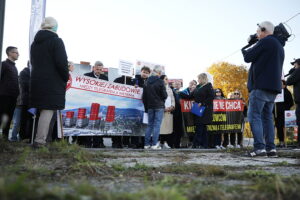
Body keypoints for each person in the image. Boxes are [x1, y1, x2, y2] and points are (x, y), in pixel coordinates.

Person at [242, 21, 285, 157]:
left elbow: (247, 57)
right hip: (273, 88)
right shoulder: (278, 45)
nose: (257, 34)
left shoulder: (265, 41)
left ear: (263, 30)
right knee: (267, 118)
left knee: (254, 116)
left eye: (258, 31)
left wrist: (249, 44)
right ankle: (271, 149)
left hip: (260, 86)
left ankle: (259, 148)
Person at [30, 17, 69, 147]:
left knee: (42, 110)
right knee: (48, 110)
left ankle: (40, 139)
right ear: (53, 27)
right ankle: (40, 141)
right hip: (52, 82)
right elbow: (61, 63)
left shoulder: (34, 44)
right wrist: (65, 76)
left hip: (37, 80)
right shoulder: (56, 41)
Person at [79, 61, 108, 148]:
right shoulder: (86, 76)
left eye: (100, 69)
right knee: (89, 122)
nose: (98, 71)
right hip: (88, 103)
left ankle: (98, 142)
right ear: (93, 68)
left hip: (99, 103)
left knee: (98, 123)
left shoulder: (105, 78)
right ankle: (87, 142)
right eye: (97, 69)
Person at [142, 65, 167, 149]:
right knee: (156, 125)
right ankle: (154, 144)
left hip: (150, 106)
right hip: (159, 106)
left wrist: (146, 107)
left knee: (150, 125)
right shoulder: (160, 82)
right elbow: (164, 95)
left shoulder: (146, 81)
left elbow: (144, 97)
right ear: (159, 73)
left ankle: (146, 144)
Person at [0, 46, 20, 141]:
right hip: (4, 96)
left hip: (13, 97)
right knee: (2, 116)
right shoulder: (3, 65)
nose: (18, 54)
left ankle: (4, 138)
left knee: (8, 117)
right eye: (16, 52)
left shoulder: (14, 67)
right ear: (10, 53)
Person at [190, 73, 214, 148]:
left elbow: (211, 97)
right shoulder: (198, 87)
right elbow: (191, 95)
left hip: (204, 109)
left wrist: (202, 103)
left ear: (203, 79)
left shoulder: (208, 86)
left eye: (199, 79)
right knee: (199, 126)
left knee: (201, 127)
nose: (198, 80)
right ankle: (201, 144)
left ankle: (198, 144)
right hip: (197, 108)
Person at [112, 75, 133, 148]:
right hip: (118, 106)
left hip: (128, 106)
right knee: (117, 126)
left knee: (127, 126)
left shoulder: (132, 82)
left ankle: (126, 142)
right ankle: (116, 142)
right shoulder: (117, 80)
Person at [274, 80, 294, 147]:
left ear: (284, 85)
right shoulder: (276, 92)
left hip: (285, 113)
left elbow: (291, 103)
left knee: (285, 127)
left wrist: (285, 108)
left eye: (281, 84)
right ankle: (281, 141)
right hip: (277, 113)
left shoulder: (287, 92)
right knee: (278, 127)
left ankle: (288, 142)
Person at [286, 58, 300, 147]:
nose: (293, 66)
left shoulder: (298, 71)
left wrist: (293, 70)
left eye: (294, 64)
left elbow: (289, 81)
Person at [159, 75, 175, 149]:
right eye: (166, 79)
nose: (167, 80)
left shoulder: (169, 89)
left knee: (167, 128)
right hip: (161, 110)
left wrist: (172, 106)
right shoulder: (158, 87)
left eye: (167, 79)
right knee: (160, 128)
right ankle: (159, 142)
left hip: (168, 111)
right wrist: (163, 108)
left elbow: (172, 99)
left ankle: (165, 142)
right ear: (162, 80)